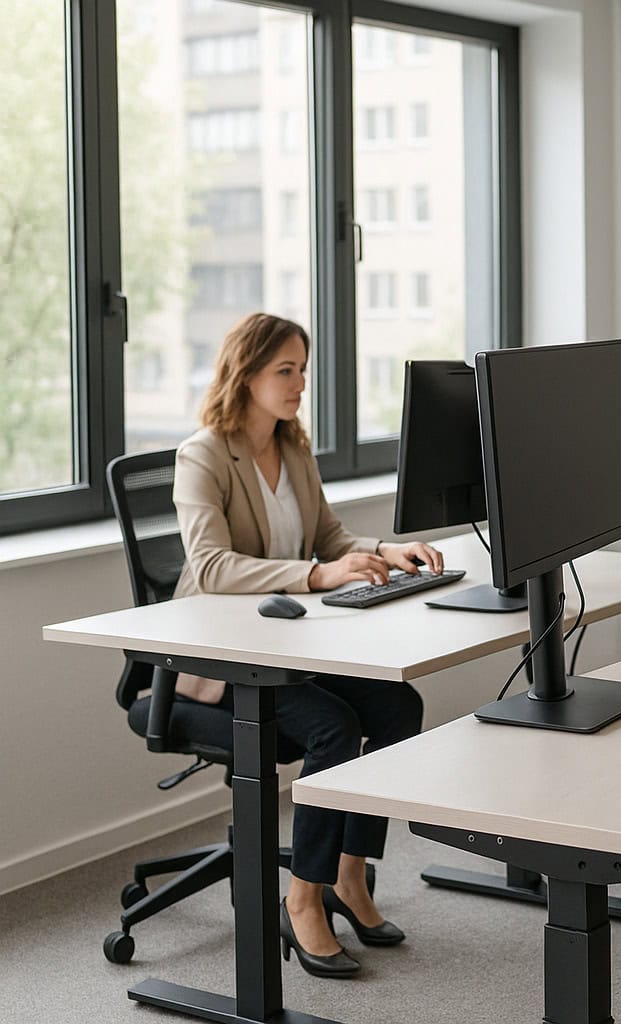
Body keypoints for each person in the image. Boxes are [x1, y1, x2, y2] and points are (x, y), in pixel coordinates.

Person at [173, 313, 443, 978]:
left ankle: (350, 876)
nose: (300, 384)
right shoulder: (203, 455)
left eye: (303, 369)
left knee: (397, 708)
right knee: (332, 728)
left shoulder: (293, 448)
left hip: (288, 652)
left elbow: (328, 537)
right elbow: (212, 567)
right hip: (220, 661)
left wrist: (385, 551)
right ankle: (303, 900)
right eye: (285, 371)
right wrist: (319, 577)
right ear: (248, 375)